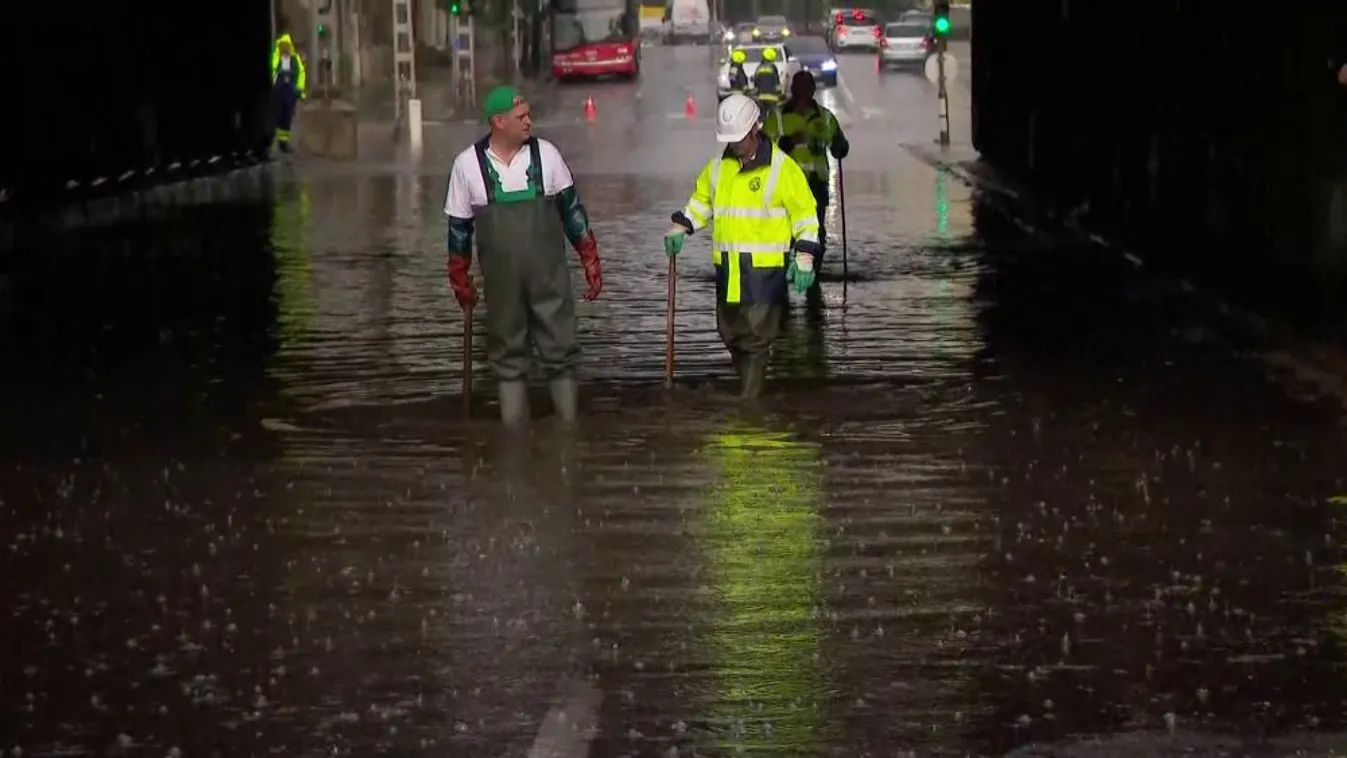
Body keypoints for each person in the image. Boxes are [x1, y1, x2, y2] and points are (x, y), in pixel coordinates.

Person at [443, 86, 604, 426]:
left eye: (529, 114)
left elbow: (572, 211)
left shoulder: (547, 155)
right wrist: (460, 278)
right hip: (502, 284)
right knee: (507, 348)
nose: (530, 121)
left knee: (560, 346)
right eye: (521, 117)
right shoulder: (467, 166)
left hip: (549, 278)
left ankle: (567, 424)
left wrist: (589, 256)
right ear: (498, 122)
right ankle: (513, 429)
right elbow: (459, 229)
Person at [663, 94, 822, 399]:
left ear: (755, 129)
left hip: (764, 274)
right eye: (731, 140)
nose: (736, 145)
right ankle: (752, 394)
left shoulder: (782, 169)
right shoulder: (718, 168)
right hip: (729, 272)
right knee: (731, 334)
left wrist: (804, 255)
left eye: (740, 139)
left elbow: (805, 216)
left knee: (756, 340)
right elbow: (702, 202)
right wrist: (682, 226)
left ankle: (749, 406)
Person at [762, 71, 850, 303]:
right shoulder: (778, 117)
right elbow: (761, 150)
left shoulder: (825, 118)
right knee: (784, 235)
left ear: (812, 91)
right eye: (798, 89)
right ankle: (783, 280)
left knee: (815, 233)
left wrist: (839, 147)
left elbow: (840, 147)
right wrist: (784, 144)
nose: (802, 94)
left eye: (805, 89)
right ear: (793, 91)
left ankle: (812, 278)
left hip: (815, 186)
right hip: (785, 189)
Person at [270, 34, 306, 153]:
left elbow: (301, 73)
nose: (285, 48)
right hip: (278, 90)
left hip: (290, 91)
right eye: (282, 46)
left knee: (287, 117)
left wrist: (298, 90)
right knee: (276, 116)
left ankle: (283, 144)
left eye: (286, 46)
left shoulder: (294, 58)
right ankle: (270, 143)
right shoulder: (276, 57)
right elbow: (272, 69)